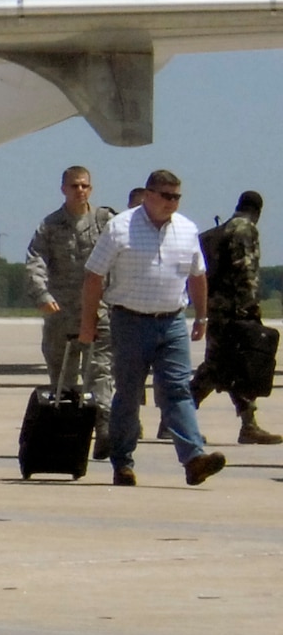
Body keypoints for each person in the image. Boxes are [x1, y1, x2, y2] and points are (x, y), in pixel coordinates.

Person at [79, 169, 226, 487]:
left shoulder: (186, 229)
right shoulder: (120, 228)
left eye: (176, 197)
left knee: (177, 391)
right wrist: (87, 324)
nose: (172, 202)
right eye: (166, 196)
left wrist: (201, 317)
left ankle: (194, 459)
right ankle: (123, 463)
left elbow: (197, 275)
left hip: (172, 321)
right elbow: (93, 277)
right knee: (129, 394)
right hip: (129, 321)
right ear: (148, 195)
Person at [24, 165, 117, 459]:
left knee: (100, 374)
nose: (80, 191)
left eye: (85, 186)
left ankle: (102, 431)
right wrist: (41, 293)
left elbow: (122, 257)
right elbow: (35, 260)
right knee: (62, 378)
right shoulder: (50, 226)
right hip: (61, 315)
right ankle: (64, 433)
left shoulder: (105, 222)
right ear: (63, 189)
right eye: (75, 186)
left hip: (98, 312)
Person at [194, 190, 280, 445]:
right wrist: (251, 305)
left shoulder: (222, 230)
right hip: (236, 310)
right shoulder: (246, 229)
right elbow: (246, 270)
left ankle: (248, 424)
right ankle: (178, 414)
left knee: (234, 365)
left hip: (217, 308)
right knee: (222, 365)